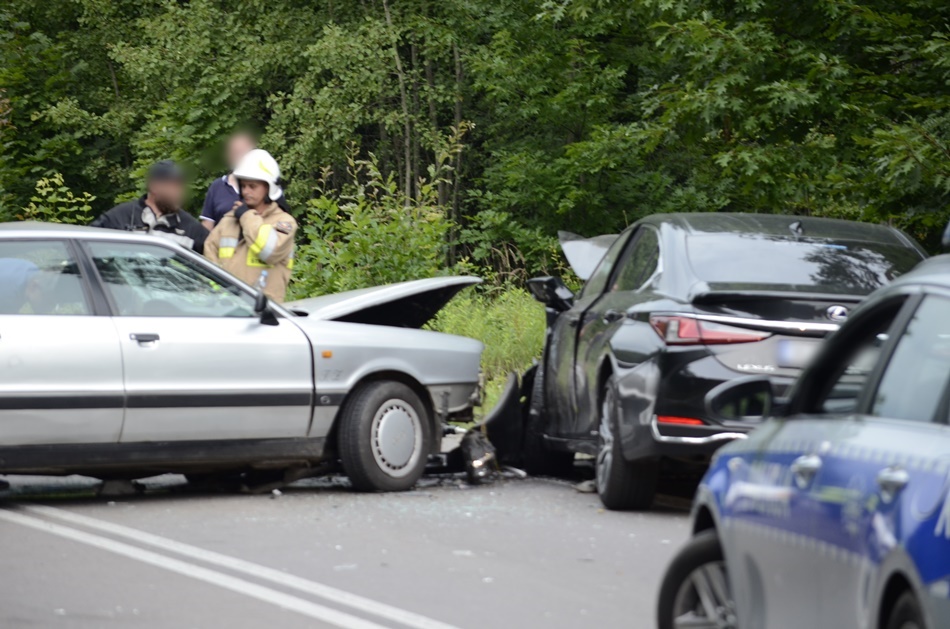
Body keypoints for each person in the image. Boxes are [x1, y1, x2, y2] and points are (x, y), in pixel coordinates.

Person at [204, 149, 297, 302]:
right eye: (243, 186)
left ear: (268, 188)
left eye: (252, 186)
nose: (246, 191)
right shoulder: (229, 220)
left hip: (265, 312)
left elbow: (269, 251)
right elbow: (209, 259)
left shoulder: (284, 223)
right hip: (227, 308)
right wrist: (219, 292)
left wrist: (246, 216)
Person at [90, 160, 207, 254]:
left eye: (180, 186)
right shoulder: (120, 217)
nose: (179, 192)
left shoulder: (191, 228)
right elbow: (86, 247)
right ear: (154, 186)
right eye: (173, 186)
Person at [200, 132, 257, 230]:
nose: (240, 157)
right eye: (236, 153)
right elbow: (206, 230)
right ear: (229, 156)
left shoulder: (264, 187)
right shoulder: (217, 187)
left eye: (244, 153)